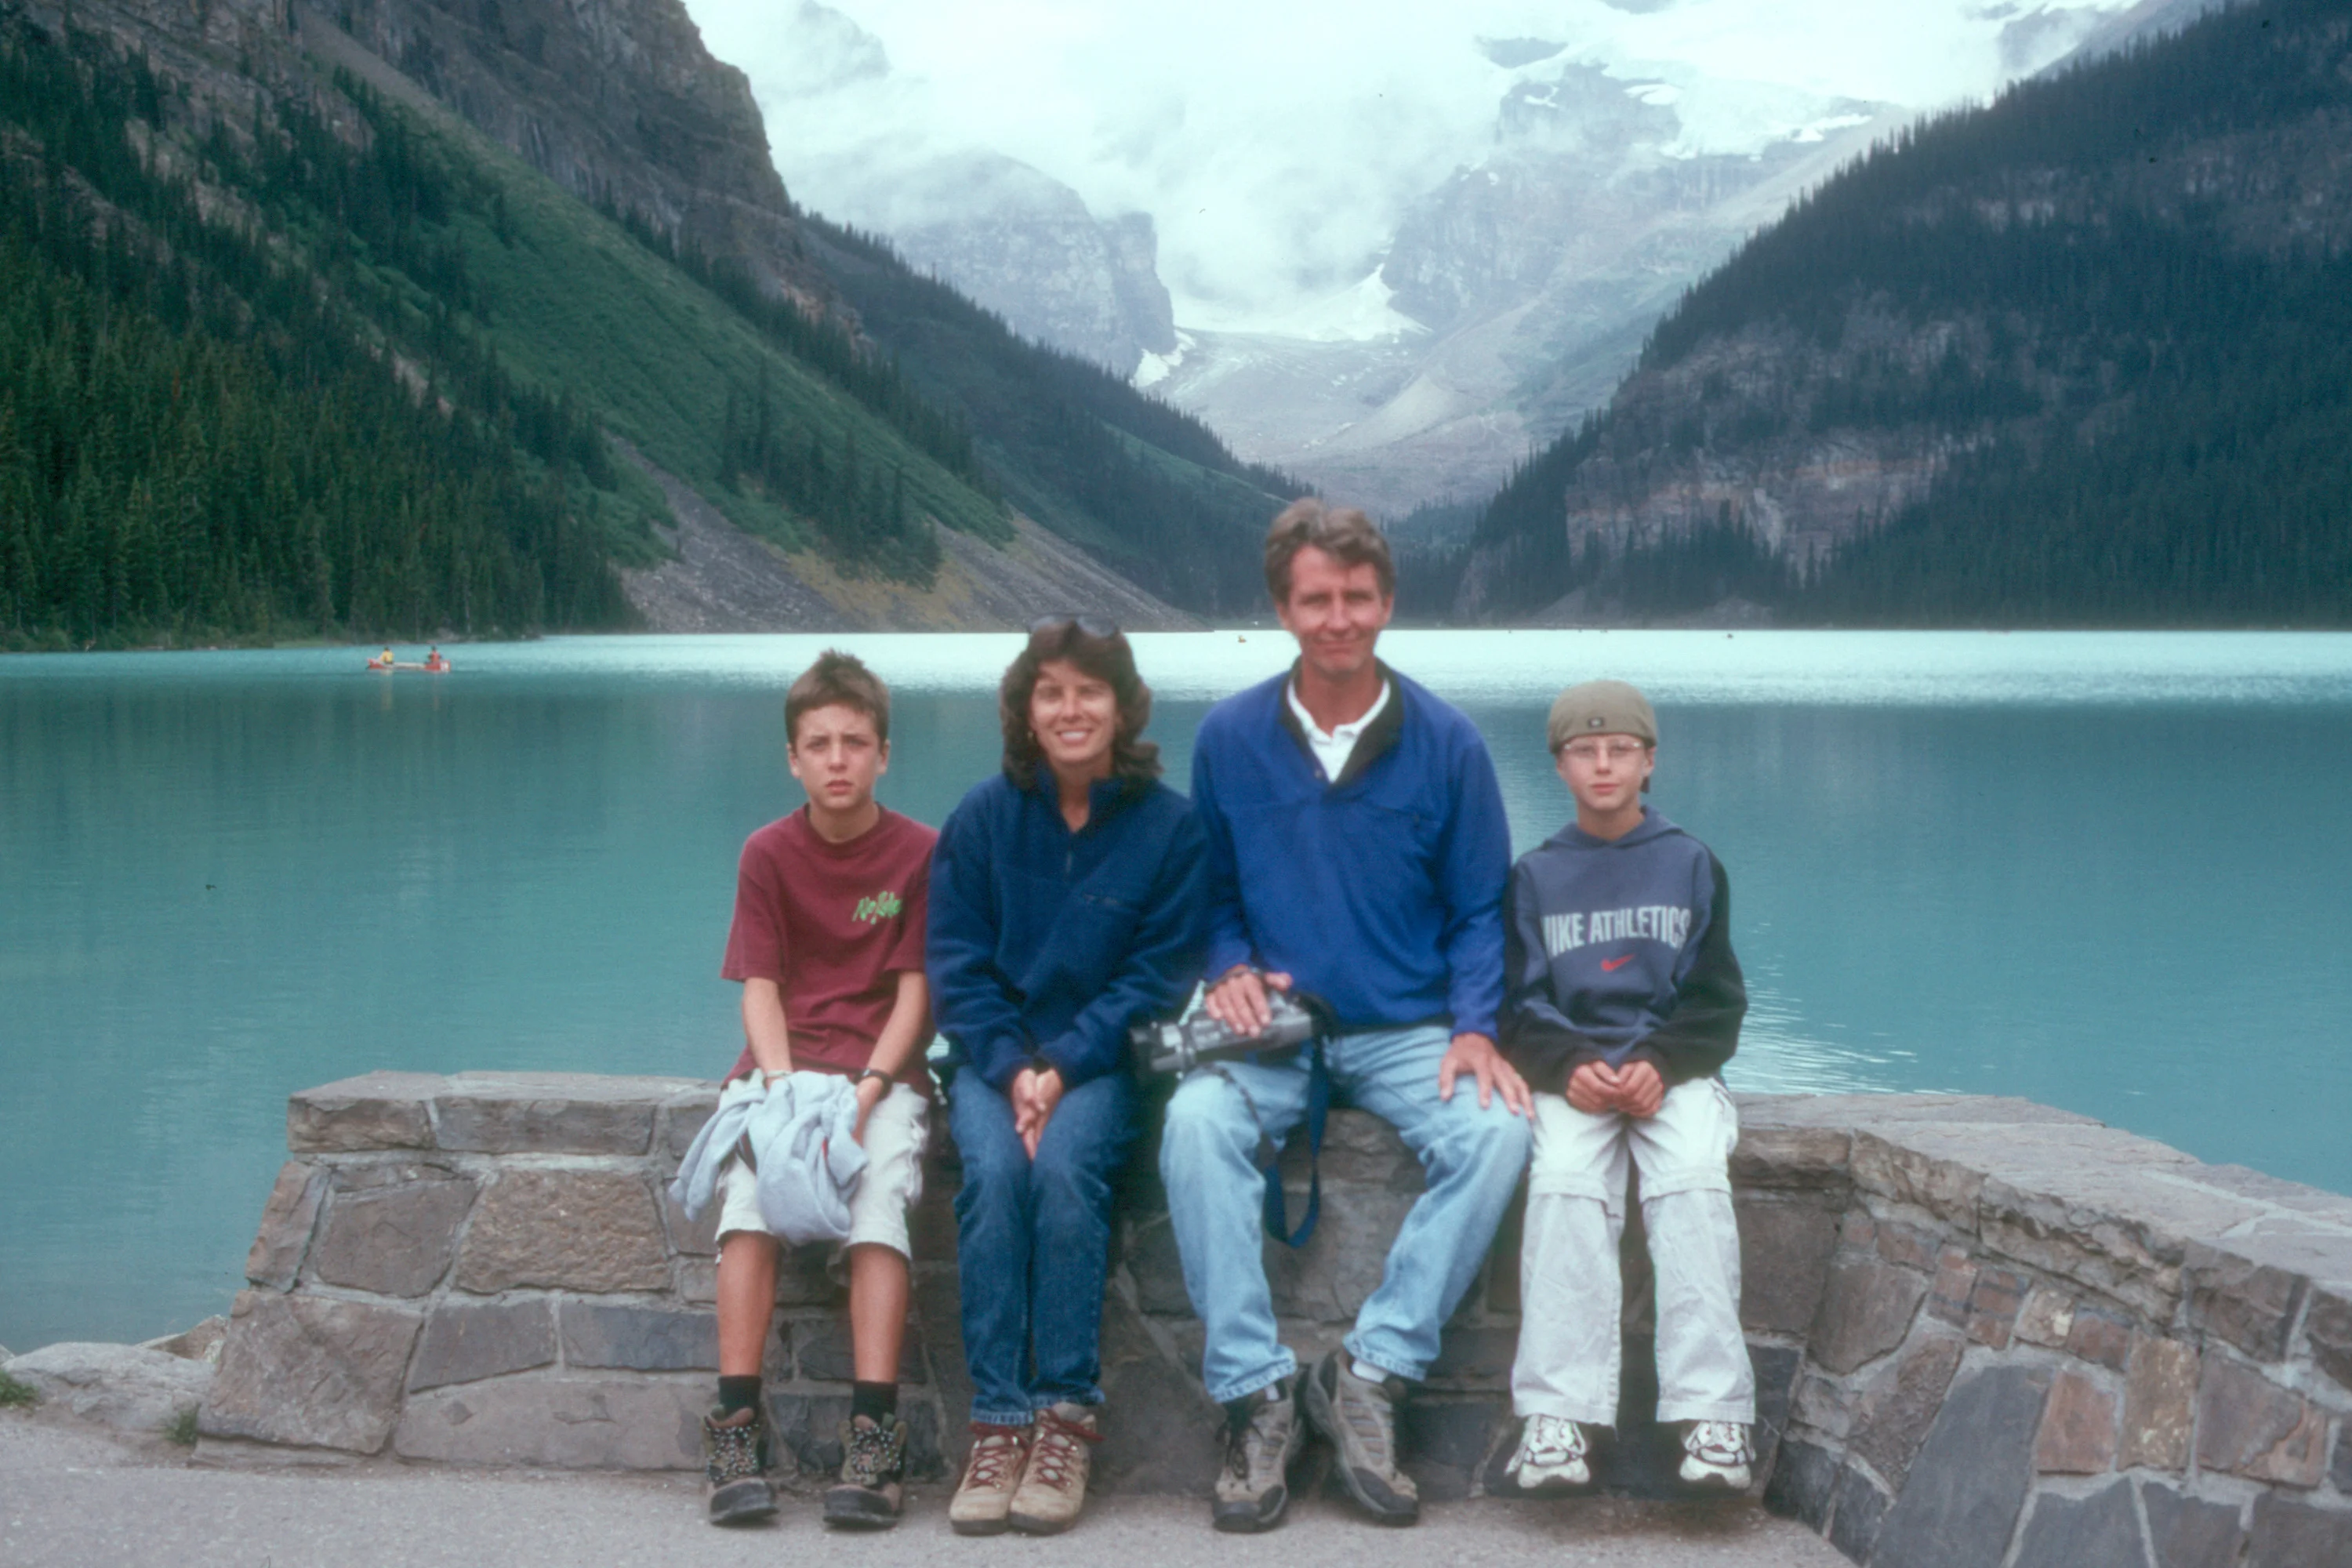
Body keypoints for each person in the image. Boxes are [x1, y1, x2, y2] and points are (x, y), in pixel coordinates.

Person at [1160, 500, 1532, 1533]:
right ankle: (1256, 1393)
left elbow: (1475, 912)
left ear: (1388, 601)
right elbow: (1215, 895)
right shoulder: (1230, 737)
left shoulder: (1449, 743)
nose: (1339, 620)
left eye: (1356, 598)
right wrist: (1229, 970)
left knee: (1500, 1131)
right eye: (1316, 599)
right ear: (1283, 607)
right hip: (1277, 1030)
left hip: (1412, 1031)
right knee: (1194, 1126)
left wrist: (1474, 1026)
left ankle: (1370, 1373)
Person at [926, 617, 1208, 1537]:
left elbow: (1158, 976)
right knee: (997, 1174)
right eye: (1051, 691)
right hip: (993, 1061)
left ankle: (1064, 1421)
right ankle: (999, 1425)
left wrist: (1064, 1067)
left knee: (1063, 1172)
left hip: (1109, 1064)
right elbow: (957, 966)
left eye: (1090, 690)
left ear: (1124, 705)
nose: (1071, 707)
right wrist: (1015, 1068)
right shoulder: (979, 818)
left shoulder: (1171, 827)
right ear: (1025, 709)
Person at [1498, 680, 1754, 1496]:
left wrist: (1663, 1060)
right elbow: (1516, 1003)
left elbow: (1718, 1001)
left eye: (1620, 749)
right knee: (1567, 1182)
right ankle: (1558, 1418)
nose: (1602, 763)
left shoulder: (1690, 860)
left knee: (1689, 1179)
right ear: (1559, 764)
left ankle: (1715, 1417)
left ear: (1650, 760)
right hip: (1572, 1075)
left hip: (1670, 1073)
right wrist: (1568, 1061)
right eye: (1584, 749)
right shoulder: (1535, 874)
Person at [700, 651, 938, 1529]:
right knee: (749, 1201)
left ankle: (874, 1436)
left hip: (883, 1074)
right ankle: (734, 1427)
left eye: (855, 741)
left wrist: (871, 1086)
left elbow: (916, 989)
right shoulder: (767, 852)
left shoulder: (920, 853)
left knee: (879, 1201)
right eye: (819, 744)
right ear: (792, 758)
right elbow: (760, 983)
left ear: (884, 753)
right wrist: (776, 1087)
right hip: (782, 1073)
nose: (838, 759)